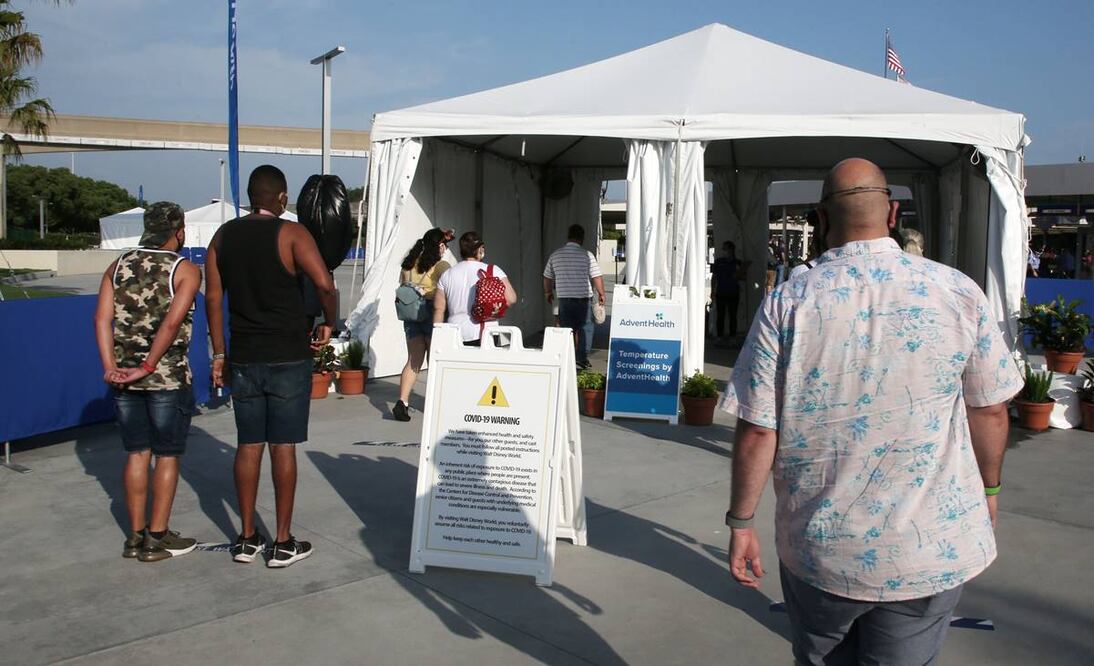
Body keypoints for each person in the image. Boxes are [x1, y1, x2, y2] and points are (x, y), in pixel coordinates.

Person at [721, 158, 1021, 665]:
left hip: (822, 552)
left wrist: (740, 522)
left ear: (820, 217)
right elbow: (989, 411)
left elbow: (756, 429)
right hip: (926, 551)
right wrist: (989, 490)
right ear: (893, 212)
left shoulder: (788, 301)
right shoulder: (956, 291)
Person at [205, 165, 337, 568]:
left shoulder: (222, 236)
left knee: (248, 444)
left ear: (250, 196)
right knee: (283, 445)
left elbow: (213, 299)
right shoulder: (292, 233)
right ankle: (282, 541)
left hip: (243, 355)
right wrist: (329, 321)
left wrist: (219, 353)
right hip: (286, 355)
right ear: (281, 198)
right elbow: (324, 283)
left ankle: (246, 538)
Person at [93, 202, 202, 562]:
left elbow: (101, 320)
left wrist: (112, 367)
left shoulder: (118, 266)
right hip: (166, 377)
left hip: (123, 378)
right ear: (179, 231)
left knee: (136, 454)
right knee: (167, 455)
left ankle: (134, 536)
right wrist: (149, 365)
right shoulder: (184, 270)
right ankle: (157, 537)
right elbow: (172, 324)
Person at [393, 228, 452, 422]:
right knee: (434, 362)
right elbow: (446, 293)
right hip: (431, 313)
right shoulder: (441, 266)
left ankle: (402, 402)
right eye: (444, 245)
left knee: (413, 361)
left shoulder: (408, 264)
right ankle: (437, 406)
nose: (445, 249)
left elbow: (404, 288)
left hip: (410, 316)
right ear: (439, 246)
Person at [434, 231, 517, 346]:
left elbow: (439, 309)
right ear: (480, 249)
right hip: (486, 333)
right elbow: (511, 299)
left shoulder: (447, 274)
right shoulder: (493, 271)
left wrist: (437, 337)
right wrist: (494, 309)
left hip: (455, 334)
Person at [544, 224, 605, 369]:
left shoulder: (555, 255)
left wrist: (548, 292)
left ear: (568, 236)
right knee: (585, 328)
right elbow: (596, 276)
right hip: (583, 300)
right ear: (582, 238)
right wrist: (602, 293)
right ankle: (581, 358)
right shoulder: (587, 255)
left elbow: (547, 277)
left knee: (565, 330)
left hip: (564, 300)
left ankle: (565, 359)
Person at [710, 241, 744, 339]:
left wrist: (739, 274)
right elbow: (714, 277)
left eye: (726, 249)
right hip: (721, 291)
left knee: (733, 316)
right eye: (723, 249)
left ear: (731, 250)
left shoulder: (737, 262)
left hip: (733, 292)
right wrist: (713, 291)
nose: (724, 251)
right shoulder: (719, 262)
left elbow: (743, 278)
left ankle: (732, 336)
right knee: (720, 315)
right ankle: (719, 337)